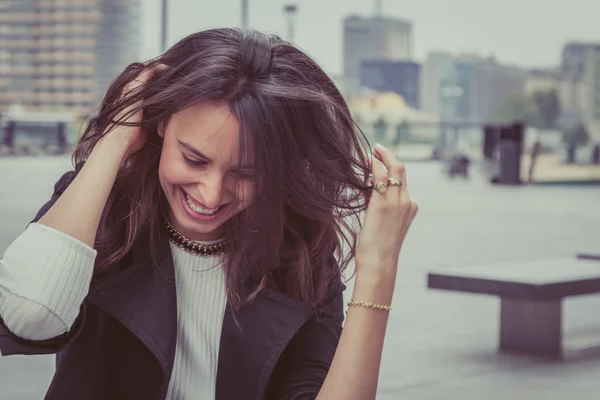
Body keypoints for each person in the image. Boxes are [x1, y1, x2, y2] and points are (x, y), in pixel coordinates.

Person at [0, 28, 417, 399]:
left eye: (246, 173)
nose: (211, 193)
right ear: (160, 125)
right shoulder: (103, 207)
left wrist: (378, 269)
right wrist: (115, 139)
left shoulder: (300, 253)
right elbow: (26, 321)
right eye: (194, 159)